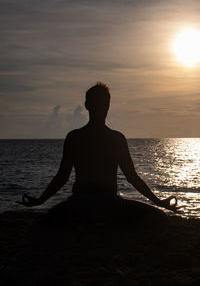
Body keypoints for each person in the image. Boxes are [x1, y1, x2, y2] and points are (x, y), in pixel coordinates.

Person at [19, 82, 181, 226]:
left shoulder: (76, 137)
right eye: (100, 103)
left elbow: (62, 177)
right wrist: (159, 203)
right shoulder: (113, 138)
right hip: (106, 205)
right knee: (159, 218)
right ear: (89, 105)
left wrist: (40, 200)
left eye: (103, 103)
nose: (101, 107)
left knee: (47, 222)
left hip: (82, 205)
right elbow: (132, 177)